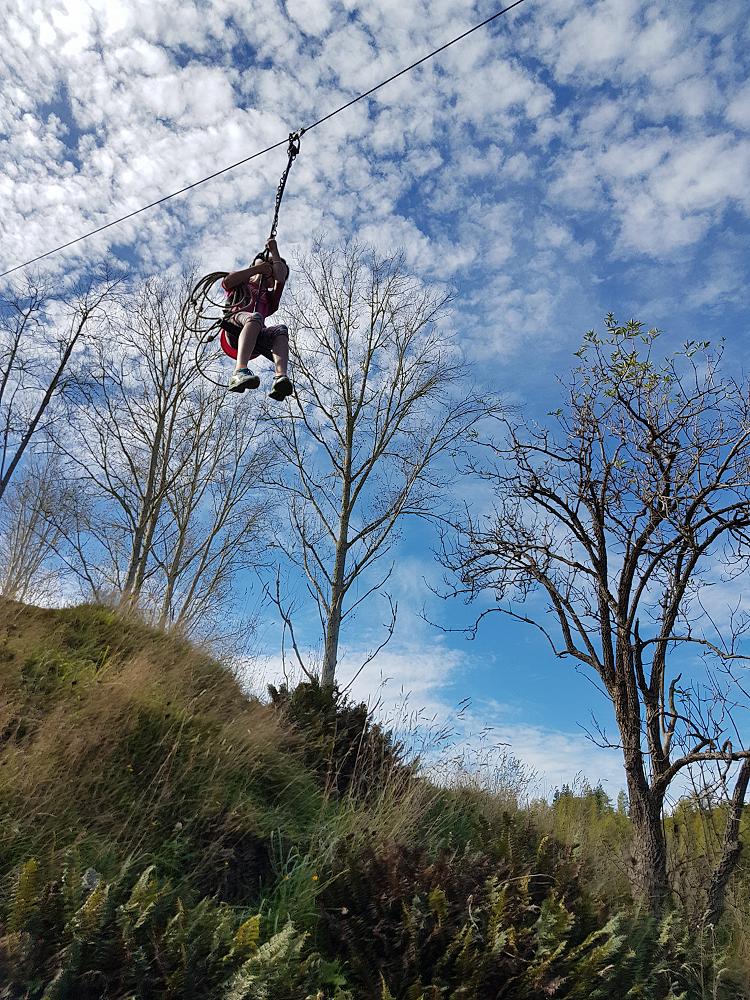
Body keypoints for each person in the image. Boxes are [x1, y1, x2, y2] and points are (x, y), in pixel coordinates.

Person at [221, 237, 293, 399]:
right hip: (235, 324)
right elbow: (227, 282)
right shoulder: (243, 283)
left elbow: (280, 279)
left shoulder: (269, 298)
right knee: (255, 317)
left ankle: (280, 378)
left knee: (280, 330)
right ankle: (239, 371)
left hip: (255, 331)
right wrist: (257, 269)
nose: (271, 277)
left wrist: (274, 251)